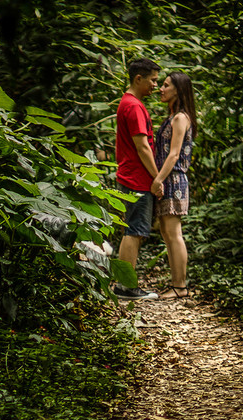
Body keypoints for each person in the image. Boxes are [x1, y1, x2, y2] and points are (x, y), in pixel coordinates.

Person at [112, 58, 162, 301]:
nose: (156, 85)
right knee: (135, 231)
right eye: (152, 80)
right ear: (138, 78)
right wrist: (157, 177)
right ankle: (127, 287)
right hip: (137, 179)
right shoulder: (133, 106)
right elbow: (142, 147)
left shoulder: (130, 103)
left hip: (133, 176)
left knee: (134, 230)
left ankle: (124, 284)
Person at [152, 72, 197, 299]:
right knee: (167, 233)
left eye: (166, 85)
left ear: (178, 90)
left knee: (174, 233)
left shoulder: (180, 118)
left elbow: (174, 154)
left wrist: (158, 179)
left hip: (174, 178)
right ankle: (176, 284)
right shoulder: (171, 117)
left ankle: (180, 287)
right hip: (166, 178)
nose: (161, 88)